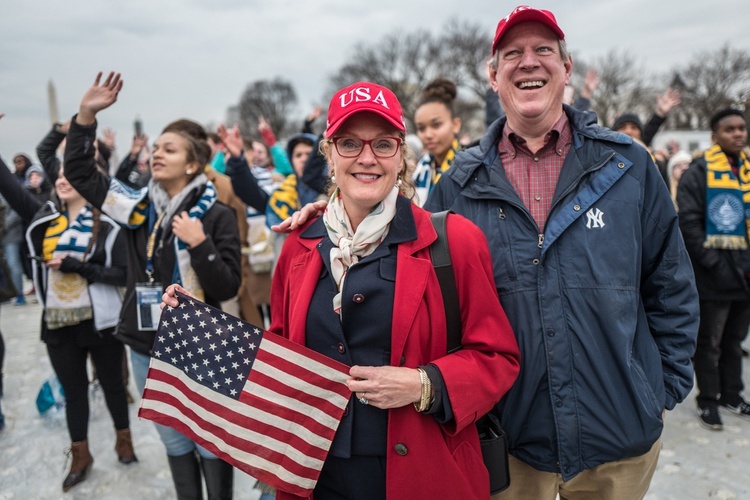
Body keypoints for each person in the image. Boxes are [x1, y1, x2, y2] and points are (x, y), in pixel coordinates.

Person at [168, 81, 521, 500]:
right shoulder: (299, 247)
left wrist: (424, 384)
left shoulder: (454, 241)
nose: (367, 158)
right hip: (318, 478)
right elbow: (281, 358)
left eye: (384, 144)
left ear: (400, 157)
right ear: (330, 154)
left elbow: (497, 358)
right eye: (350, 143)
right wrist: (206, 329)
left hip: (423, 475)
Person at [421, 6, 699, 499]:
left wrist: (658, 389)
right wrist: (331, 215)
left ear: (566, 69)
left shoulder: (628, 165)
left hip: (618, 440)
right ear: (493, 76)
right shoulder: (457, 185)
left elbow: (670, 283)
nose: (529, 62)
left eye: (543, 50)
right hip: (508, 443)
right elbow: (432, 307)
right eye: (513, 54)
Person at [63, 72, 242, 499]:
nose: (157, 155)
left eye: (169, 149)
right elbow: (81, 173)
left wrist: (199, 245)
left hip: (203, 344)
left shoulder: (214, 214)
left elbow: (228, 284)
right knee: (174, 438)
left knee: (209, 438)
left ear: (193, 164)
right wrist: (86, 115)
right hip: (147, 343)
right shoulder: (135, 207)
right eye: (156, 148)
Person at [0, 155, 136, 492]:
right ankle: (81, 455)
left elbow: (122, 274)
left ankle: (124, 441)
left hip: (100, 322)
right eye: (58, 175)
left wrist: (80, 267)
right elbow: (8, 187)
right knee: (74, 394)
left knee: (113, 386)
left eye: (70, 175)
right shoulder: (44, 218)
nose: (61, 179)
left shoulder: (107, 224)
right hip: (58, 323)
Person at [676, 108, 750, 430]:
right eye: (729, 129)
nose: (738, 134)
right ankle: (708, 400)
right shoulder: (699, 171)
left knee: (735, 340)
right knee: (709, 343)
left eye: (741, 128)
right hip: (714, 275)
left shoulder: (747, 170)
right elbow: (688, 222)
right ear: (714, 135)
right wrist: (714, 264)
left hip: (745, 274)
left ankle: (732, 395)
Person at [413, 78, 463, 206]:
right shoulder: (417, 171)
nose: (428, 135)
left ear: (456, 124)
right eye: (421, 128)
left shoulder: (470, 168)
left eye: (436, 125)